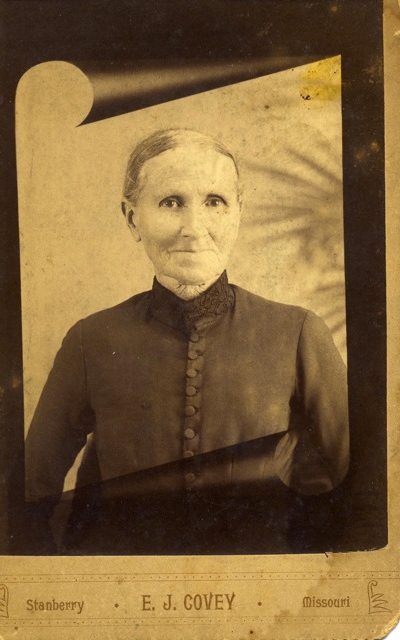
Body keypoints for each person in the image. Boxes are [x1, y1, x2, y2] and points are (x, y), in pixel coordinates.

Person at [25, 128, 350, 554]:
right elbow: (28, 493)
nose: (193, 229)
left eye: (214, 202)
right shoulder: (91, 340)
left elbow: (362, 488)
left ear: (238, 213)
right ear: (132, 218)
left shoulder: (297, 332)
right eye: (171, 202)